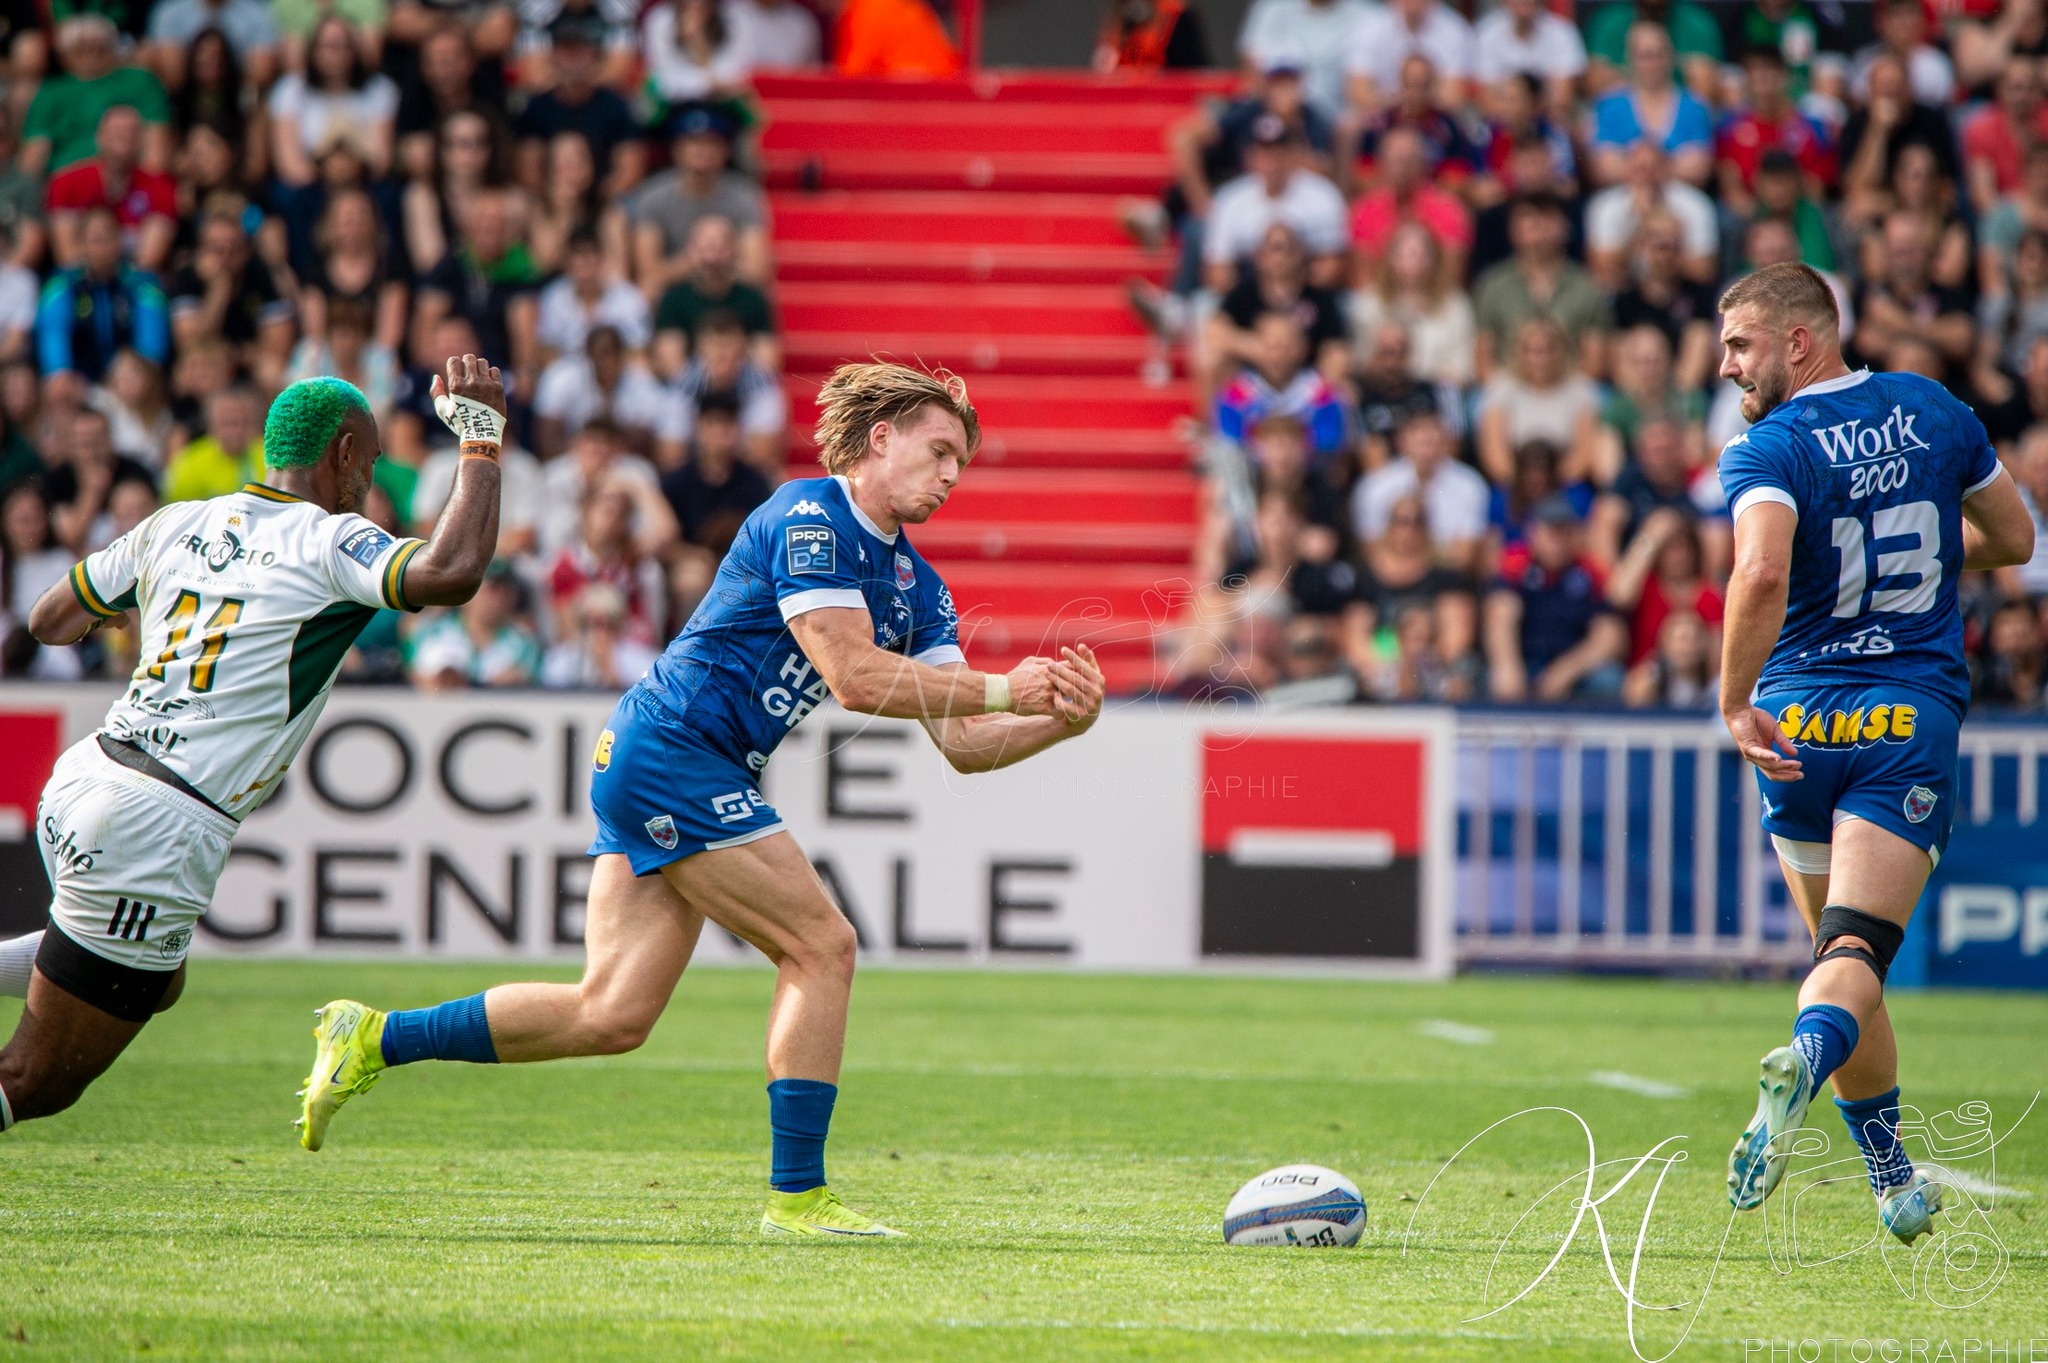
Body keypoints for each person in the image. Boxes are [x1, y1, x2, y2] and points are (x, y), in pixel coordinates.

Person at [295, 362, 1106, 1241]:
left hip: (674, 759)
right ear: (882, 438)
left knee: (611, 1012)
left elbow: (966, 745)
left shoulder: (920, 587)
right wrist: (1001, 687)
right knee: (822, 946)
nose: (951, 475)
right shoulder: (810, 517)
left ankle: (371, 1035)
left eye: (962, 464)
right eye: (939, 450)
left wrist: (1057, 720)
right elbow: (853, 674)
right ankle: (797, 1198)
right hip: (675, 750)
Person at [0, 359, 505, 1131]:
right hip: (156, 823)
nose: (367, 484)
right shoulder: (332, 541)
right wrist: (480, 443)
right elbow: (452, 569)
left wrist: (144, 612)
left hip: (85, 778)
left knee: (157, 980)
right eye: (367, 465)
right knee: (35, 1079)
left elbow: (48, 620)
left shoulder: (176, 520)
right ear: (341, 454)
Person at [1712, 262, 2035, 1243]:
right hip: (1903, 720)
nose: (1725, 365)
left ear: (1796, 341)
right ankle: (1807, 1062)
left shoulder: (1765, 447)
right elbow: (2014, 537)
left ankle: (1890, 1176)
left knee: (1837, 956)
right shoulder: (1933, 412)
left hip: (1799, 727)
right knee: (1853, 953)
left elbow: (1761, 565)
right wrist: (1932, 558)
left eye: (1737, 344)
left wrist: (1731, 700)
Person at [1482, 494, 1628, 701]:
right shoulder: (1516, 563)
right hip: (1524, 662)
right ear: (1533, 533)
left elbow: (1610, 636)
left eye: (1565, 532)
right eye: (1551, 532)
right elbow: (1500, 616)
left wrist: (1566, 670)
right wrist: (1507, 665)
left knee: (1609, 679)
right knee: (1493, 678)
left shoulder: (1590, 572)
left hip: (1573, 667)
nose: (1558, 541)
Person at [36, 208, 170, 385]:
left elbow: (151, 345)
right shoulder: (62, 284)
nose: (103, 248)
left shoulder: (143, 284)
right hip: (79, 386)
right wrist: (60, 375)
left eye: (109, 238)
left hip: (131, 386)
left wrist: (131, 381)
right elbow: (53, 335)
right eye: (96, 240)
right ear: (82, 245)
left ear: (120, 241)